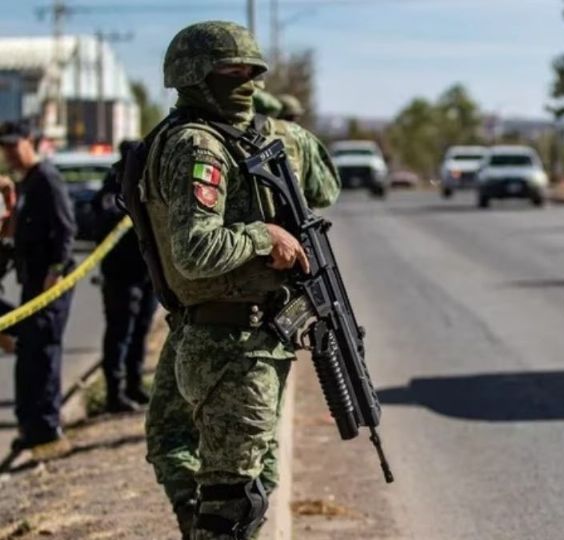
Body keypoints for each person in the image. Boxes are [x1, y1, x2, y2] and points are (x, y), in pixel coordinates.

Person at [141, 21, 340, 539]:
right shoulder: (197, 145)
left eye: (254, 71)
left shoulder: (245, 137)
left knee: (241, 487)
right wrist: (261, 235)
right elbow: (195, 250)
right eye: (233, 71)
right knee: (231, 503)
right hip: (227, 343)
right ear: (194, 76)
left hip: (242, 338)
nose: (248, 81)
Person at [0, 120, 77, 460]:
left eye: (14, 146)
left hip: (50, 281)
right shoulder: (27, 182)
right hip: (31, 279)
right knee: (29, 354)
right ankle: (29, 428)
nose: (9, 154)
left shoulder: (47, 178)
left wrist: (56, 271)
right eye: (4, 148)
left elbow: (65, 228)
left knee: (44, 352)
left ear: (30, 141)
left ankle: (46, 430)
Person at [93, 141, 158, 413]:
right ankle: (114, 393)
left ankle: (134, 384)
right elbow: (107, 216)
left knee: (141, 331)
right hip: (121, 275)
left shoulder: (146, 183)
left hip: (146, 274)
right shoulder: (113, 187)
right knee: (120, 334)